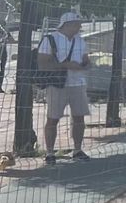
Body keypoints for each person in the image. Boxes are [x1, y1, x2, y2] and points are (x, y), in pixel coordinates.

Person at [38, 12, 93, 165]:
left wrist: (86, 65)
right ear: (67, 25)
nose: (79, 27)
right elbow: (42, 63)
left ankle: (77, 149)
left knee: (79, 117)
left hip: (78, 83)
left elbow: (86, 59)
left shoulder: (80, 41)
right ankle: (50, 152)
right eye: (77, 24)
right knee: (53, 118)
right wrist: (65, 65)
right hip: (57, 84)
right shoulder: (50, 39)